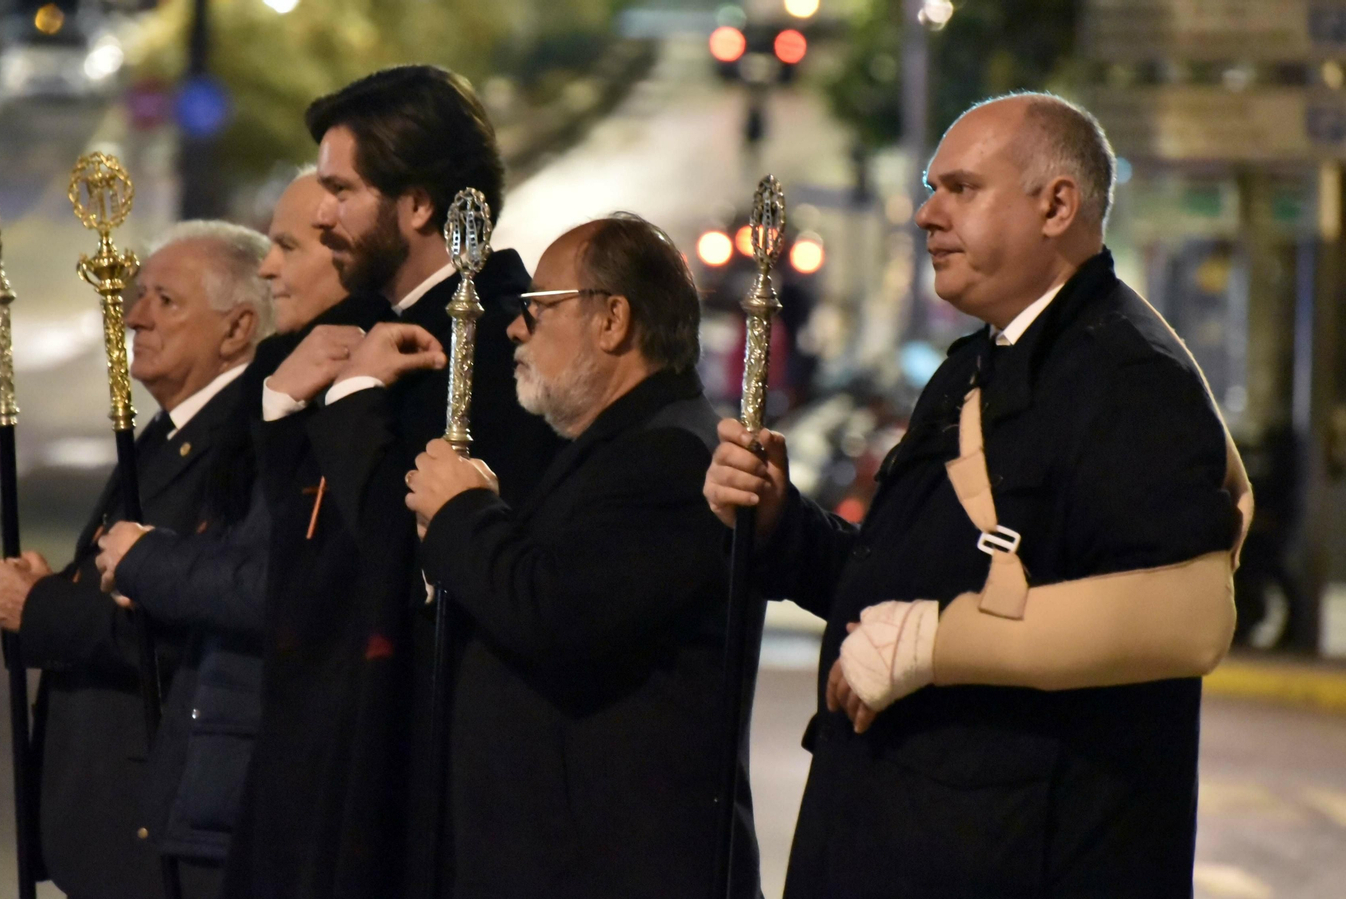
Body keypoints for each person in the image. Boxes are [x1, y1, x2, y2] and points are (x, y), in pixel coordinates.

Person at [703, 92, 1252, 898]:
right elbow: (901, 589)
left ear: (1056, 206)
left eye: (961, 188)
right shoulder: (976, 364)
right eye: (934, 189)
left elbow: (1189, 618)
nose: (928, 213)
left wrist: (936, 643)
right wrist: (782, 523)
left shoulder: (1130, 375)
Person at [251, 64, 563, 897]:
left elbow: (405, 552)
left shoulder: (498, 340)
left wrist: (354, 396)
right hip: (325, 747)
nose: (321, 214)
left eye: (341, 190)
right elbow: (290, 540)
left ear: (418, 205)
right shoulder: (357, 329)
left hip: (412, 762)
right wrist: (282, 402)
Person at [403, 214, 759, 898]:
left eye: (538, 308)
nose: (515, 327)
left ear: (612, 320)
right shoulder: (620, 448)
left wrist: (464, 515)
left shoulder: (670, 457)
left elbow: (556, 615)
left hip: (609, 863)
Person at [91, 173, 389, 899]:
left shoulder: (356, 386)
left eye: (288, 246)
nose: (269, 266)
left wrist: (146, 563)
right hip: (222, 758)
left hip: (268, 766)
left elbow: (275, 576)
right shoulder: (279, 381)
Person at [0, 221, 271, 899]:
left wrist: (41, 607)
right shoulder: (169, 430)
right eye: (139, 297)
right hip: (108, 819)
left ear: (237, 328)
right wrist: (56, 587)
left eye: (166, 301)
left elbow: (191, 616)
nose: (136, 316)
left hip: (161, 820)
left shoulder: (240, 442)